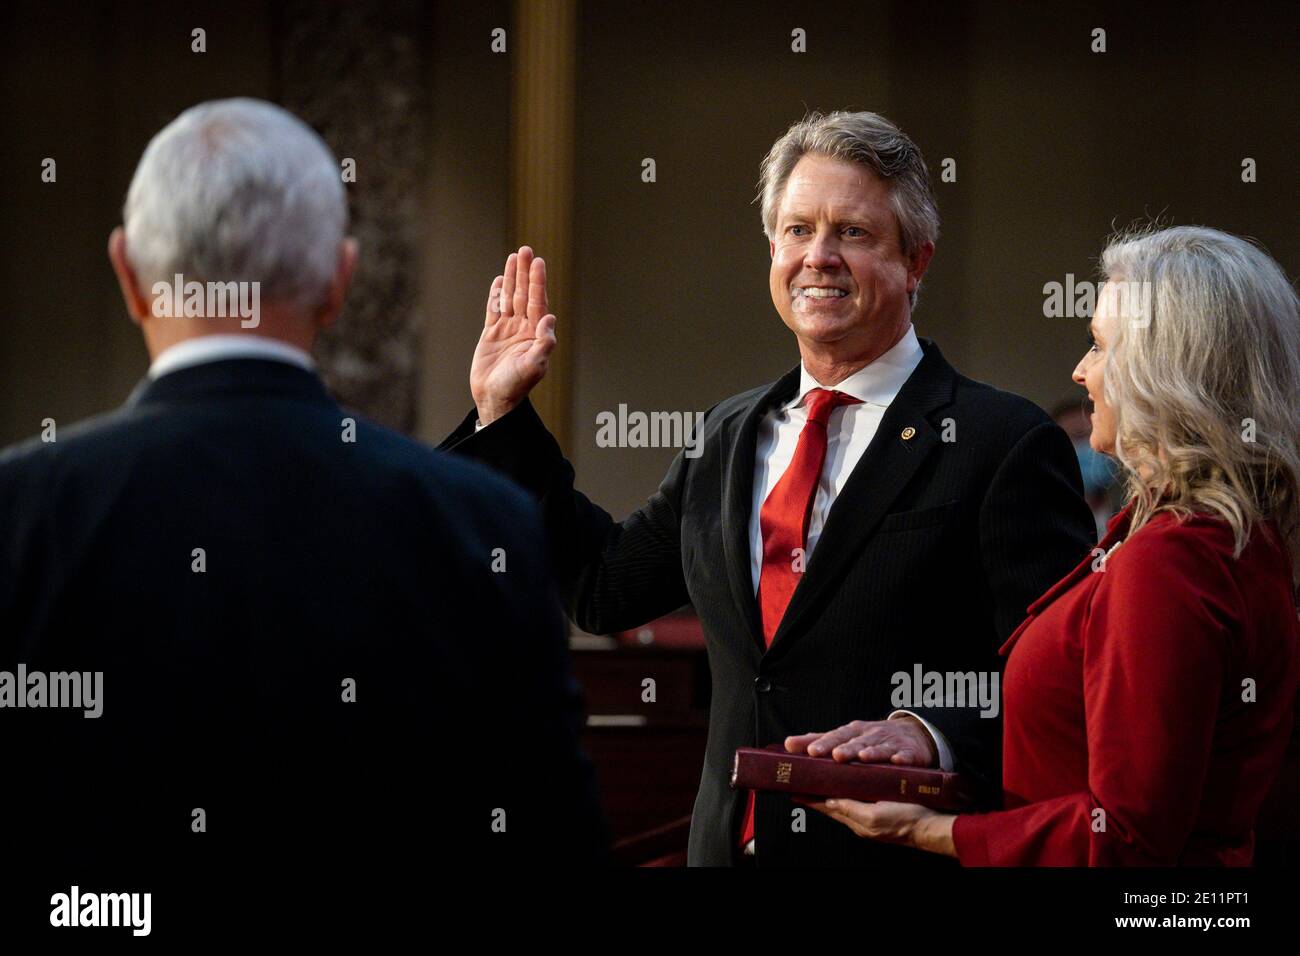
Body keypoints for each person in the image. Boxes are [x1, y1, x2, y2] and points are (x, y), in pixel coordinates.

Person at [440, 110, 1097, 866]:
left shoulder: (1001, 441)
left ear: (917, 261)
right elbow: (602, 587)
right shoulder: (729, 432)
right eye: (796, 230)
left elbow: (1064, 679)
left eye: (852, 232)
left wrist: (931, 731)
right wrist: (502, 416)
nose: (818, 257)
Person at [0, 98, 607, 884]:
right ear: (338, 282)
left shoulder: (20, 512)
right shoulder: (481, 523)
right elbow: (550, 841)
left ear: (128, 275)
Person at [798, 225, 1300, 865]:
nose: (1080, 371)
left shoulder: (1170, 560)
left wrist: (920, 830)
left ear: (1163, 373)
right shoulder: (1236, 539)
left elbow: (1125, 837)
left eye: (1098, 347)